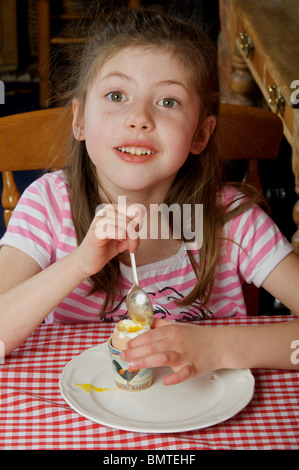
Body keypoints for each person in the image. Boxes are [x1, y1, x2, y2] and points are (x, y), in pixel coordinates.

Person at [0, 8, 298, 386]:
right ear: (79, 120)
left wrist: (218, 346)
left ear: (200, 136)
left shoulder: (232, 220)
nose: (139, 117)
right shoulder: (48, 206)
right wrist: (78, 263)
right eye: (116, 94)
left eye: (168, 101)